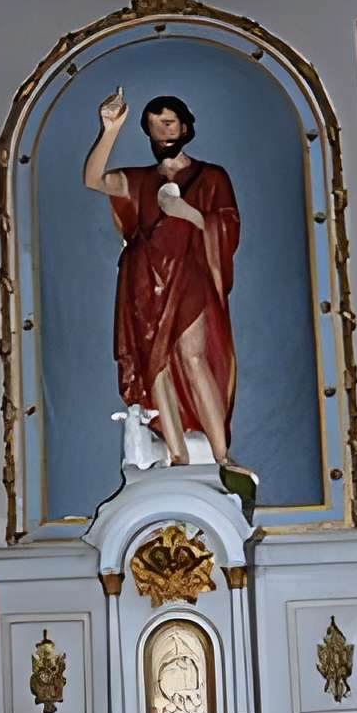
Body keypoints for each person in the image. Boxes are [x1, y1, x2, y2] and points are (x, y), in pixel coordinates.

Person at [83, 87, 240, 468]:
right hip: (142, 278)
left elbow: (226, 226)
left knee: (194, 356)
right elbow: (94, 179)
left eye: (168, 124)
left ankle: (222, 456)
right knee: (157, 364)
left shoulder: (211, 176)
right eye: (154, 127)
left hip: (189, 274)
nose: (162, 133)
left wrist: (185, 211)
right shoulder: (138, 179)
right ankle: (177, 454)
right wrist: (109, 129)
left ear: (184, 128)